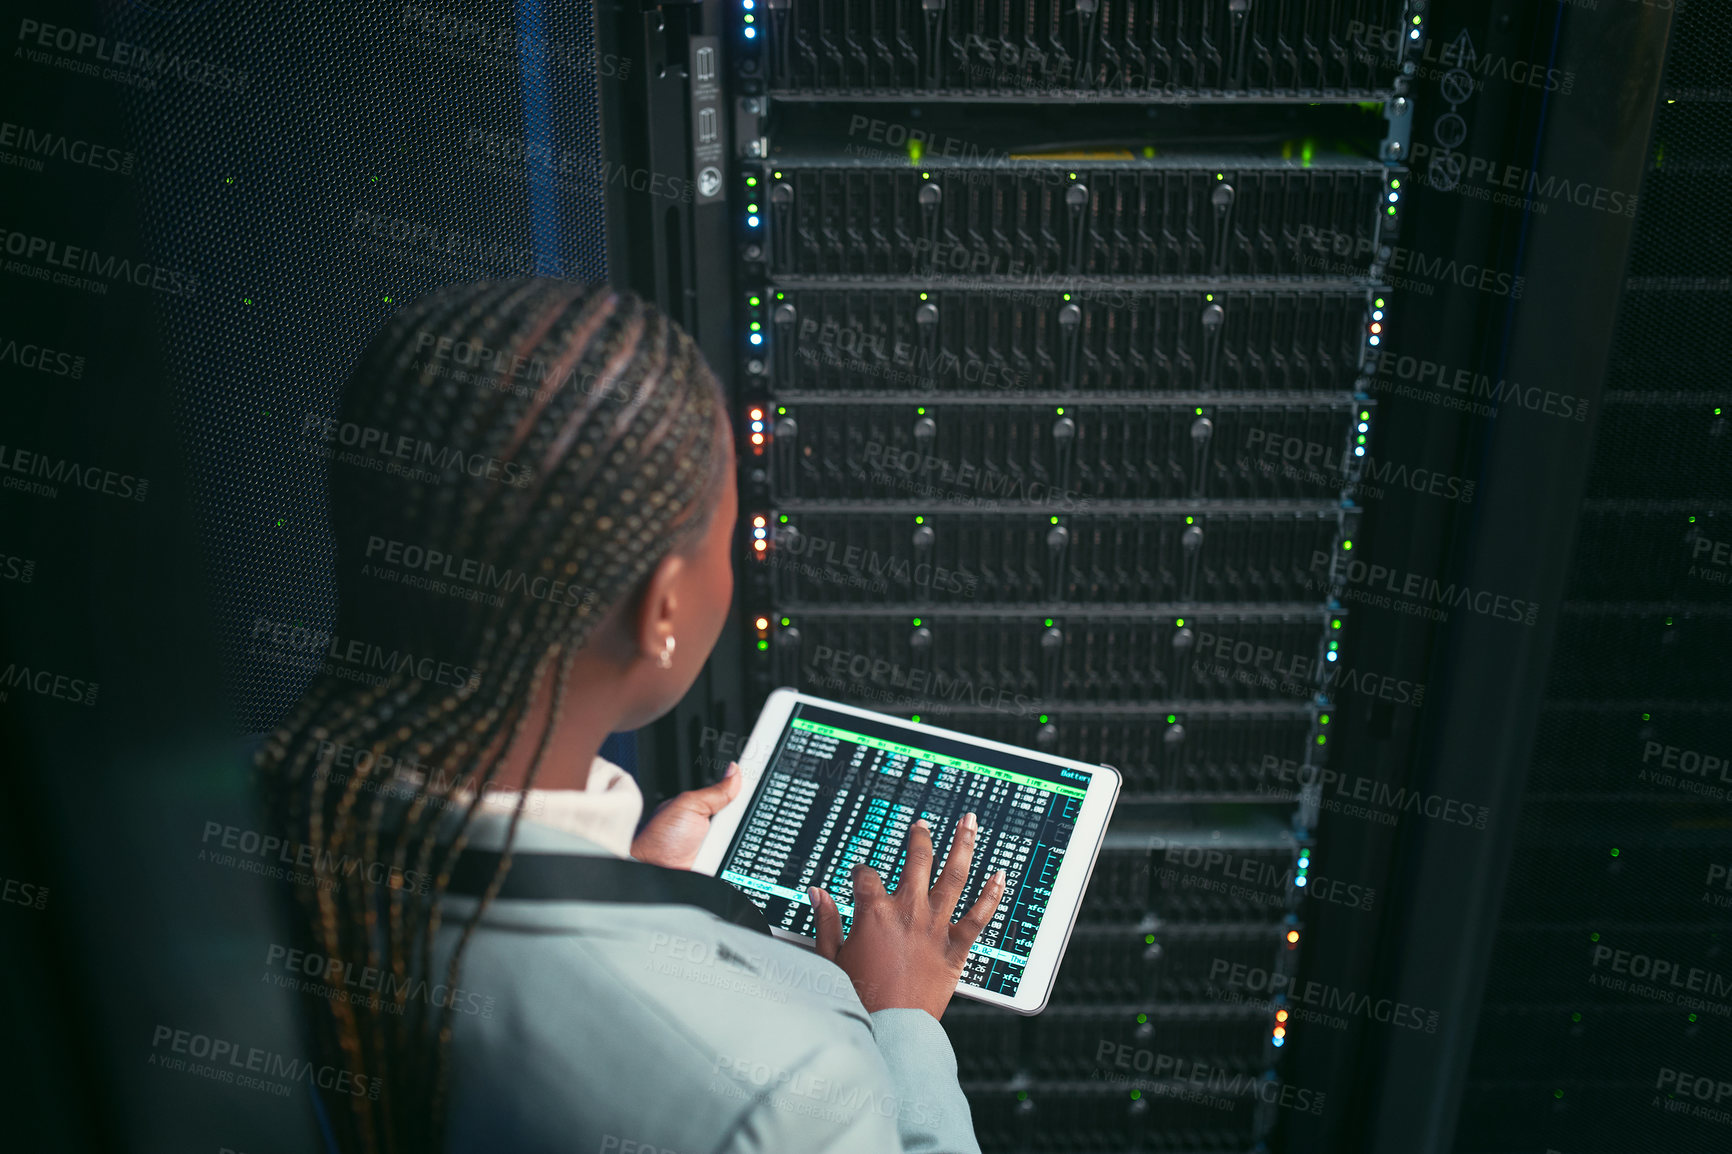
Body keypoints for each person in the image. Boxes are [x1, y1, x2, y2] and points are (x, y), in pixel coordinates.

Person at [256, 278, 1007, 1154]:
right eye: (731, 540)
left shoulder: (227, 809)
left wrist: (627, 885)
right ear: (662, 610)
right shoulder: (789, 1091)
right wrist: (900, 1021)